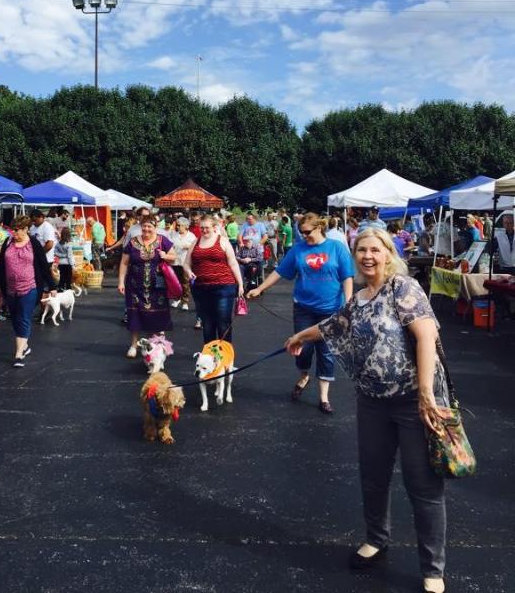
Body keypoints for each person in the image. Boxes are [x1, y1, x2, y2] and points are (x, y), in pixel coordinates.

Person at [285, 228, 448, 593]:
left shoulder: (403, 288)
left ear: (389, 253)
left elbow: (426, 337)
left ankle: (433, 569)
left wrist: (426, 395)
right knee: (373, 476)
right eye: (361, 250)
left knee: (422, 485)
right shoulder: (358, 298)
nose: (368, 256)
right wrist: (298, 337)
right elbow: (332, 325)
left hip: (413, 403)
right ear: (354, 255)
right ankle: (376, 538)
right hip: (372, 402)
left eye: (375, 249)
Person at [248, 212, 354, 414]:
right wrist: (260, 288)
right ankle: (304, 374)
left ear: (319, 228)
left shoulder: (337, 248)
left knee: (326, 352)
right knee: (302, 348)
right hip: (304, 308)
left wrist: (348, 304)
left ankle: (324, 397)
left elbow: (347, 277)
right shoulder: (298, 250)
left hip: (331, 309)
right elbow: (279, 272)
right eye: (301, 232)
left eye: (307, 232)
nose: (304, 236)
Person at [0, 215, 56, 367]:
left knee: (24, 317)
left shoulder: (33, 244)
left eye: (17, 230)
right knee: (15, 318)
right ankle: (25, 345)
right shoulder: (8, 242)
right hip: (10, 289)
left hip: (29, 287)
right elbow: (1, 265)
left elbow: (43, 265)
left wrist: (52, 286)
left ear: (25, 229)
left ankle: (18, 354)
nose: (14, 233)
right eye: (12, 230)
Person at [117, 216, 176, 358]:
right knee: (135, 314)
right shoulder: (132, 242)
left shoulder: (163, 241)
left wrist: (165, 255)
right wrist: (121, 282)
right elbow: (124, 263)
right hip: (135, 285)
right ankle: (133, 345)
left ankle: (154, 345)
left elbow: (174, 257)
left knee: (156, 314)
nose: (146, 229)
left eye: (149, 226)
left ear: (155, 227)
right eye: (144, 226)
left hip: (157, 286)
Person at [183, 214, 244, 344]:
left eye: (207, 228)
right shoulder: (195, 242)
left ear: (214, 227)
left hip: (223, 287)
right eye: (202, 228)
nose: (204, 230)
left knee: (223, 322)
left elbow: (233, 263)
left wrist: (240, 284)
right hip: (201, 288)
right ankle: (209, 358)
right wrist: (188, 271)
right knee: (207, 324)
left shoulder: (222, 241)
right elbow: (186, 263)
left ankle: (225, 359)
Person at [169, 217, 196, 311]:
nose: (178, 227)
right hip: (175, 262)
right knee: (175, 282)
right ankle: (177, 299)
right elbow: (169, 245)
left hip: (186, 262)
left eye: (180, 225)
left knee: (185, 282)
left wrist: (188, 246)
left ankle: (185, 301)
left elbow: (195, 247)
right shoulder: (173, 234)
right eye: (178, 225)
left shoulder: (191, 236)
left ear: (186, 226)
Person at [54, 226, 75, 291]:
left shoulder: (58, 244)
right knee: (68, 278)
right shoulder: (68, 244)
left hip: (60, 263)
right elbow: (69, 256)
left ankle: (60, 289)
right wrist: (72, 265)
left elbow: (55, 252)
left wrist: (61, 255)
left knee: (62, 277)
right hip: (67, 263)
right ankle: (68, 291)